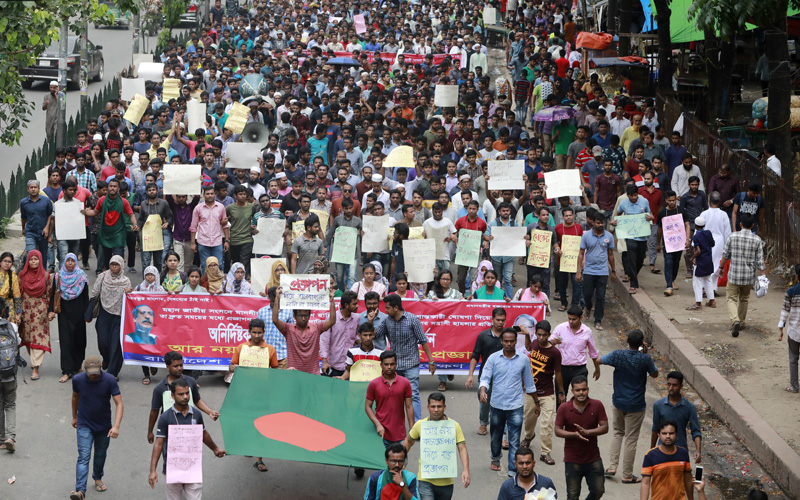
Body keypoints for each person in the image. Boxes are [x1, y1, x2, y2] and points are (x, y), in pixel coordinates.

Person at [148, 379, 226, 498]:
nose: (185, 397)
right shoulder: (165, 417)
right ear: (172, 396)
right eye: (180, 394)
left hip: (193, 469)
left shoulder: (196, 414)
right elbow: (158, 444)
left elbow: (203, 433)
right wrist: (153, 470)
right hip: (172, 469)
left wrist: (215, 449)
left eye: (187, 393)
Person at [599, 329, 658, 483]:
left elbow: (599, 360)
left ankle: (612, 467)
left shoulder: (617, 355)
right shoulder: (645, 359)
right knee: (631, 439)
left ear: (627, 341)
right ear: (642, 343)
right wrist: (646, 354)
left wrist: (597, 369)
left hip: (618, 402)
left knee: (618, 433)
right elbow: (655, 374)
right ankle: (627, 475)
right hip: (636, 405)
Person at [480, 328, 539, 476]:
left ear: (516, 341)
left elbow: (529, 383)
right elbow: (485, 377)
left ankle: (513, 469)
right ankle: (495, 458)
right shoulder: (493, 358)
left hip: (515, 406)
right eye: (506, 341)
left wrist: (536, 402)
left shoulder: (523, 359)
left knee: (514, 439)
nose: (509, 344)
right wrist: (482, 391)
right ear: (502, 341)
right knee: (496, 437)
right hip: (497, 405)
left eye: (512, 341)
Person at [370, 293, 436, 421]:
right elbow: (376, 335)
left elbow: (423, 341)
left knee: (413, 395)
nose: (385, 310)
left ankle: (416, 425)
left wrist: (431, 361)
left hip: (411, 364)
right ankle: (395, 425)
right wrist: (371, 321)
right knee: (395, 396)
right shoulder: (387, 321)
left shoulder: (412, 319)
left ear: (396, 308)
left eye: (388, 308)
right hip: (394, 366)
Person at [69, 356, 124, 500]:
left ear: (100, 369)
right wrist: (74, 416)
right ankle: (80, 491)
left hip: (104, 426)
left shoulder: (110, 380)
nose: (93, 376)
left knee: (100, 454)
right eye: (90, 373)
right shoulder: (78, 380)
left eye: (96, 372)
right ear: (85, 370)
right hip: (84, 424)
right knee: (83, 457)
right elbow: (75, 397)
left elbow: (119, 403)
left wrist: (116, 426)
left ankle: (98, 477)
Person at [228, 319, 276, 470]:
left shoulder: (270, 350)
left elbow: (275, 371)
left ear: (264, 332)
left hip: (263, 393)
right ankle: (248, 446)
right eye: (254, 332)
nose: (256, 335)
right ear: (249, 332)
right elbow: (232, 365)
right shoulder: (241, 348)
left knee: (261, 423)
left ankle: (259, 459)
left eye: (259, 333)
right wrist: (233, 368)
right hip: (244, 392)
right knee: (247, 421)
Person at [404, 392, 471, 500]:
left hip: (446, 482)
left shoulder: (454, 426)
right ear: (428, 407)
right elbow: (408, 441)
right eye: (433, 406)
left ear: (444, 407)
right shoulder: (420, 425)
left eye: (439, 406)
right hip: (425, 480)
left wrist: (466, 470)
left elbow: (462, 448)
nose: (436, 410)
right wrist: (401, 460)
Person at [554, 376, 609, 500]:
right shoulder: (564, 408)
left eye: (584, 389)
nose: (581, 393)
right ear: (572, 391)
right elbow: (557, 430)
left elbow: (605, 427)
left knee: (598, 491)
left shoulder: (597, 405)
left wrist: (588, 432)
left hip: (593, 458)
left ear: (588, 389)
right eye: (577, 390)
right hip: (572, 460)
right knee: (573, 496)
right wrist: (574, 434)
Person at [147, 350, 219, 445]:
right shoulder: (160, 388)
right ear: (168, 367)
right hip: (169, 431)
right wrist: (150, 431)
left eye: (181, 365)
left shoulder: (190, 382)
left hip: (189, 428)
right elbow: (154, 410)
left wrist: (210, 412)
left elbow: (197, 400)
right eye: (175, 366)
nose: (179, 368)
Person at [520, 320, 564, 465]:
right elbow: (528, 347)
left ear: (549, 335)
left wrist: (561, 391)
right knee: (529, 419)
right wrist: (527, 336)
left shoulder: (555, 353)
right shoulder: (534, 343)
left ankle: (545, 453)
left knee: (547, 423)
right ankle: (528, 437)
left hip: (547, 392)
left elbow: (558, 373)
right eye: (538, 334)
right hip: (531, 391)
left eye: (544, 335)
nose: (541, 338)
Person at [272, 284, 337, 374]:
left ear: (309, 316)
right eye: (300, 315)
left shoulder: (316, 328)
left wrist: (332, 301)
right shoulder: (288, 329)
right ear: (294, 316)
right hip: (294, 374)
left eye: (306, 315)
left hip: (313, 374)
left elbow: (332, 321)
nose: (303, 318)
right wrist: (277, 299)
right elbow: (275, 320)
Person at [720, 213, 765, 337]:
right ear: (752, 225)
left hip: (734, 275)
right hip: (748, 277)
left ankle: (735, 320)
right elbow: (760, 261)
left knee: (731, 298)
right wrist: (763, 277)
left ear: (740, 224)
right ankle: (742, 322)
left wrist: (721, 267)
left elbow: (725, 254)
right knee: (744, 299)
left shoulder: (732, 236)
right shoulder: (757, 240)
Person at [466, 307, 506, 436]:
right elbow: (475, 355)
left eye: (503, 320)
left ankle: (502, 428)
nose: (500, 323)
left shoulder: (508, 336)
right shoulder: (483, 336)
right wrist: (470, 375)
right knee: (483, 400)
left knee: (503, 402)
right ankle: (483, 423)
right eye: (498, 320)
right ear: (492, 319)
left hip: (504, 376)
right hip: (486, 376)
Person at [91, 255, 133, 379]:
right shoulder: (103, 277)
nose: (114, 267)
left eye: (117, 265)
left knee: (116, 345)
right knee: (103, 343)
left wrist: (129, 293)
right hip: (104, 313)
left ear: (121, 266)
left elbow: (130, 299)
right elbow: (94, 292)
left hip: (119, 315)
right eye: (112, 264)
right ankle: (106, 359)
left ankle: (113, 372)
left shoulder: (126, 281)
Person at [650, 371, 703, 464]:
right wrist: (652, 451)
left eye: (674, 385)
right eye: (669, 384)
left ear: (681, 386)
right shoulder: (658, 405)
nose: (671, 388)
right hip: (662, 451)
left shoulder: (689, 407)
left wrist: (698, 451)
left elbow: (696, 431)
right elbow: (655, 429)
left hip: (680, 452)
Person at [52, 253, 90, 383]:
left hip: (79, 314)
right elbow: (53, 294)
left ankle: (77, 364)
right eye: (67, 260)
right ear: (64, 262)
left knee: (79, 341)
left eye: (72, 261)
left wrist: (87, 313)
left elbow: (85, 296)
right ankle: (67, 371)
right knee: (66, 342)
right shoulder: (58, 276)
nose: (70, 263)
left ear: (75, 262)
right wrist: (51, 311)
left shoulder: (82, 277)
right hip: (64, 314)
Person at [365, 350, 414, 447]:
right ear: (381, 365)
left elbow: (409, 406)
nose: (389, 367)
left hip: (400, 434)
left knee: (401, 457)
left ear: (396, 364)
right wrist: (378, 424)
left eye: (392, 364)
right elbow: (367, 406)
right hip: (380, 434)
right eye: (386, 364)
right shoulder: (374, 384)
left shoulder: (405, 382)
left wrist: (412, 428)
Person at [612, 184, 654, 294]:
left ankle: (632, 274)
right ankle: (633, 284)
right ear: (628, 195)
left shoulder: (644, 202)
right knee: (631, 257)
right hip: (629, 235)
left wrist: (651, 218)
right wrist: (614, 222)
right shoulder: (623, 203)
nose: (634, 198)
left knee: (640, 258)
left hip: (642, 235)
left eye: (635, 195)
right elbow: (617, 214)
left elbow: (650, 214)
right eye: (631, 196)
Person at [577, 213, 617, 330]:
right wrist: (579, 271)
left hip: (602, 272)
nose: (600, 225)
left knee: (600, 297)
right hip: (589, 271)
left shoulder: (609, 236)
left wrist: (613, 271)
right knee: (587, 294)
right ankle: (588, 307)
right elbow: (581, 253)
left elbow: (611, 255)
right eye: (598, 223)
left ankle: (598, 320)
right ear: (593, 223)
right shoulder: (586, 236)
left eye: (602, 223)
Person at [18, 250, 52, 380]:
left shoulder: (46, 276)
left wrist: (50, 311)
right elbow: (18, 294)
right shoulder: (22, 275)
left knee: (38, 338)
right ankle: (34, 361)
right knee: (28, 338)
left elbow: (49, 295)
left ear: (40, 260)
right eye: (31, 259)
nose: (33, 261)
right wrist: (18, 312)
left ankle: (36, 367)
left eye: (36, 259)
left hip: (40, 312)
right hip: (26, 311)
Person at [553, 305, 601, 393]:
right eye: (569, 318)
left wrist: (597, 368)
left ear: (580, 318)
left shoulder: (587, 332)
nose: (571, 321)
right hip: (562, 369)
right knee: (560, 396)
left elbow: (593, 352)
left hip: (579, 370)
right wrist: (553, 342)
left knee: (581, 396)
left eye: (574, 319)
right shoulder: (560, 328)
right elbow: (548, 343)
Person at [640, 421, 694, 500]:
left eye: (671, 433)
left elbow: (688, 480)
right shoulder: (650, 455)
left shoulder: (683, 453)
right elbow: (645, 483)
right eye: (664, 433)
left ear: (676, 434)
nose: (668, 436)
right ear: (658, 434)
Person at [190, 185, 230, 274]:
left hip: (217, 241)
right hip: (203, 241)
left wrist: (227, 240)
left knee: (219, 265)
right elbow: (193, 226)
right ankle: (206, 283)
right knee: (205, 266)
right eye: (208, 194)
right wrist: (193, 243)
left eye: (212, 193)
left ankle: (219, 283)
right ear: (204, 195)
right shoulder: (198, 208)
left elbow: (225, 225)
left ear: (215, 194)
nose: (210, 196)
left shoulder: (221, 207)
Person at [657, 190, 690, 296]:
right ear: (666, 200)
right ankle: (669, 286)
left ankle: (672, 280)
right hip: (667, 244)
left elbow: (687, 225)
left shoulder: (681, 211)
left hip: (679, 243)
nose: (672, 202)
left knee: (676, 262)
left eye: (674, 200)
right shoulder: (662, 213)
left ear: (676, 199)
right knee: (668, 262)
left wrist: (687, 239)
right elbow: (659, 229)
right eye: (670, 200)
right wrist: (658, 243)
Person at [320, 291, 360, 377]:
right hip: (334, 366)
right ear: (346, 305)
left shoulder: (356, 318)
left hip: (351, 367)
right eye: (354, 304)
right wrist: (324, 361)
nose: (357, 306)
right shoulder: (332, 319)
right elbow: (324, 340)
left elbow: (357, 337)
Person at [778, 264, 800, 393]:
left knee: (793, 359)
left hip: (794, 332)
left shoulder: (791, 292)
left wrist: (781, 329)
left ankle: (794, 386)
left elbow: (785, 312)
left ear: (797, 276)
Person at [687, 217, 716, 311]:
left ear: (695, 226)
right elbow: (712, 244)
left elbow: (698, 251)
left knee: (697, 282)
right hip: (709, 260)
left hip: (700, 261)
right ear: (704, 225)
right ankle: (712, 301)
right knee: (708, 280)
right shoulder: (708, 233)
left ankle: (698, 303)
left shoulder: (696, 237)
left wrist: (692, 258)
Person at [20, 180, 54, 262]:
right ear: (28, 189)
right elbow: (23, 217)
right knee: (30, 254)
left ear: (38, 189)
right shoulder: (23, 202)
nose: (33, 189)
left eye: (35, 187)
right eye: (31, 187)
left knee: (43, 255)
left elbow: (50, 215)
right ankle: (30, 270)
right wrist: (23, 228)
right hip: (30, 232)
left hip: (43, 232)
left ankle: (43, 270)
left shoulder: (46, 201)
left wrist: (47, 227)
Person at [0, 252, 23, 324]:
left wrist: (19, 314)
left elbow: (17, 296)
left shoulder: (13, 276)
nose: (7, 263)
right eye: (5, 261)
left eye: (9, 262)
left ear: (12, 264)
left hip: (8, 308)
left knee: (8, 329)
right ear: (0, 262)